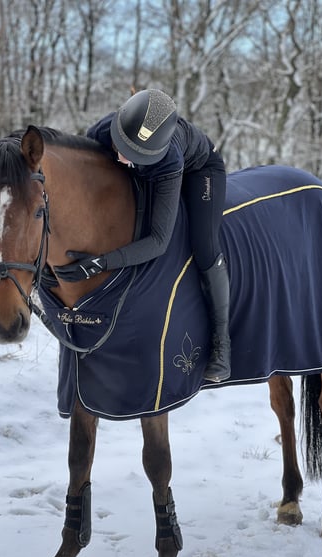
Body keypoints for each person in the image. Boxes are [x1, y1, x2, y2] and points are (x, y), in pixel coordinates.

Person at [53, 89, 230, 382]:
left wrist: (101, 262)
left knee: (205, 246)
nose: (122, 158)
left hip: (200, 172)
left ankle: (222, 344)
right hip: (149, 168)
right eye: (122, 147)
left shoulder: (169, 159)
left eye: (133, 155)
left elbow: (158, 242)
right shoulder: (100, 131)